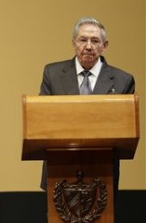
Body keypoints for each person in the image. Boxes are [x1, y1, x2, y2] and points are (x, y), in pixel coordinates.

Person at [39, 16, 135, 192]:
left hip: (103, 173)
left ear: (104, 46)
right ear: (74, 43)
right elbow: (42, 120)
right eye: (83, 40)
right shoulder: (52, 74)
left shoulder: (123, 80)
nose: (89, 46)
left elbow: (123, 129)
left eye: (95, 41)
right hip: (58, 171)